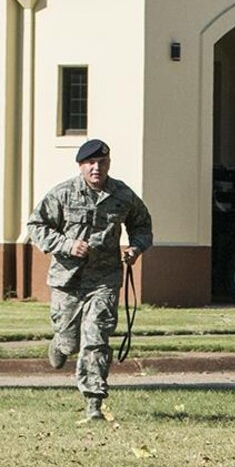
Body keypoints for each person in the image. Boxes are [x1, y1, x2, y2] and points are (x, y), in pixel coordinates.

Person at [27, 138, 153, 422]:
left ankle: (94, 403)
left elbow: (143, 225)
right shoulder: (63, 193)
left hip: (104, 280)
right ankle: (60, 344)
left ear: (109, 164)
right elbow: (36, 226)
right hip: (68, 280)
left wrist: (136, 247)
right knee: (70, 343)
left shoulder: (122, 195)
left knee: (96, 339)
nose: (97, 168)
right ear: (81, 166)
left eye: (102, 162)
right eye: (91, 163)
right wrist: (67, 244)